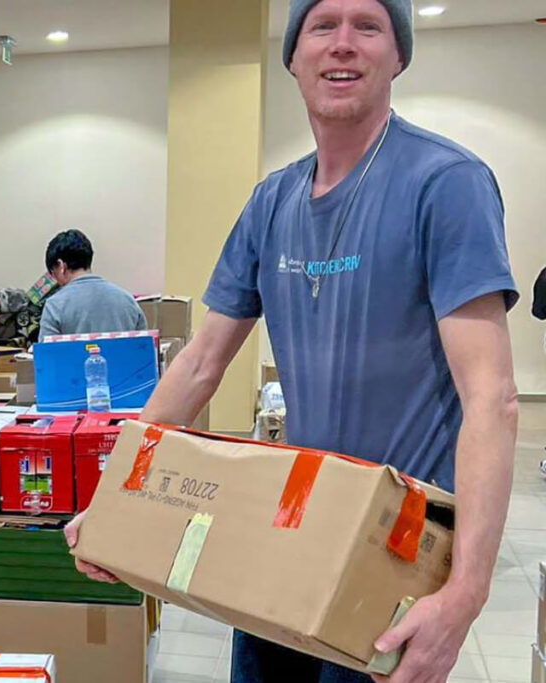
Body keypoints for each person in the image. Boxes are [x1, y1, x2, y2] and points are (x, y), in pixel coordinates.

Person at [65, 1, 520, 682]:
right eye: (322, 26)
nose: (343, 45)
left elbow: (492, 397)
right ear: (293, 56)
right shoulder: (271, 203)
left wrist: (466, 592)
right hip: (291, 530)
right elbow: (199, 363)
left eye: (368, 26)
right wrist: (115, 496)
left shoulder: (446, 184)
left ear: (398, 55)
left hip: (391, 547)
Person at [37, 229, 147, 341]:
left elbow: (47, 356)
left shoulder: (55, 306)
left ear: (61, 266)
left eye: (52, 272)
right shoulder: (128, 301)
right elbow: (144, 352)